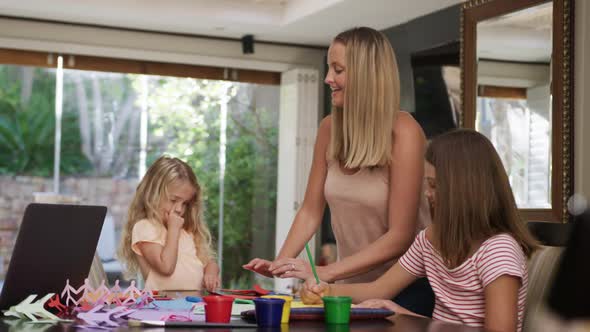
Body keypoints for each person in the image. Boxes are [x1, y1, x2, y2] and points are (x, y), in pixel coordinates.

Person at [243, 27, 433, 315]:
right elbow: (310, 210)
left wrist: (325, 272)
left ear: (367, 75)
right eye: (329, 68)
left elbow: (400, 236)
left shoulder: (405, 132)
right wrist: (282, 263)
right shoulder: (329, 128)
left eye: (338, 70)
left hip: (406, 291)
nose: (327, 78)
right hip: (348, 287)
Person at [301, 129, 540, 332]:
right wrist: (326, 289)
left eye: (435, 186)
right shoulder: (430, 239)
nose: (427, 194)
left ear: (463, 190)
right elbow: (379, 289)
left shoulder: (498, 251)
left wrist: (415, 320)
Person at [118, 156, 220, 293]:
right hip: (161, 307)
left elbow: (208, 261)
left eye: (185, 203)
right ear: (152, 194)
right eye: (173, 200)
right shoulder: (145, 227)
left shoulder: (185, 231)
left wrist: (211, 272)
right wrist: (173, 230)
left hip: (194, 305)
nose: (179, 209)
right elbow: (166, 267)